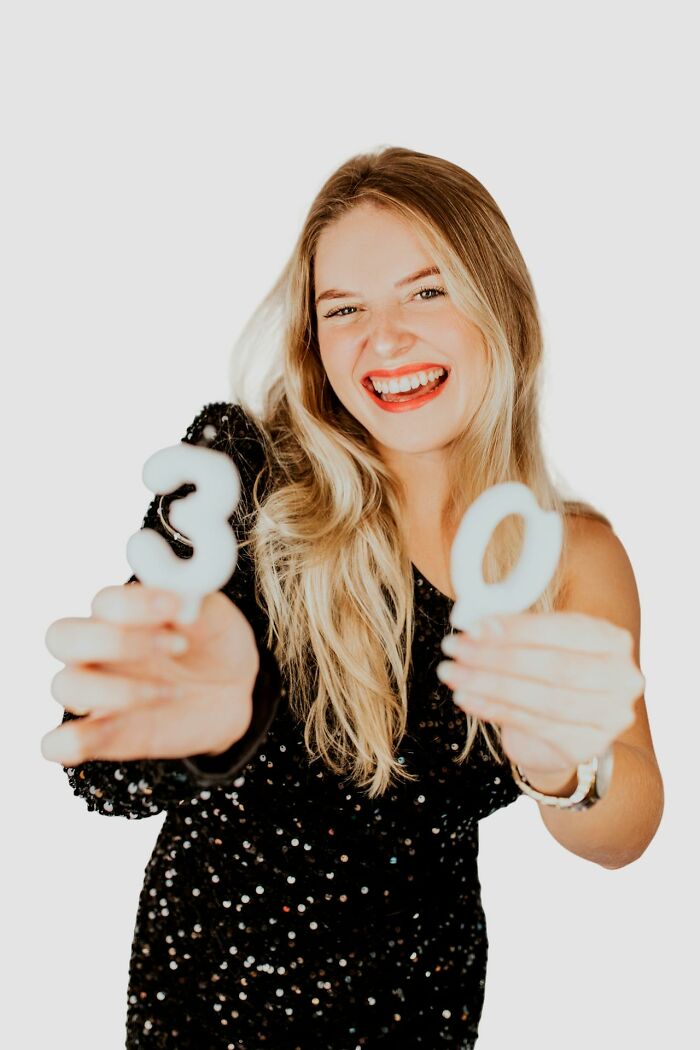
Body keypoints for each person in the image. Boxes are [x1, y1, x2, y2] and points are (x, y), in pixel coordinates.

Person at [42, 146, 664, 1049]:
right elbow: (99, 775)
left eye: (426, 292)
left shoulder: (565, 557)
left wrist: (560, 762)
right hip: (207, 1018)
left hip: (420, 1017)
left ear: (501, 305)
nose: (385, 339)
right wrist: (213, 728)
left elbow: (628, 828)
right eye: (344, 309)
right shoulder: (242, 485)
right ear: (314, 340)